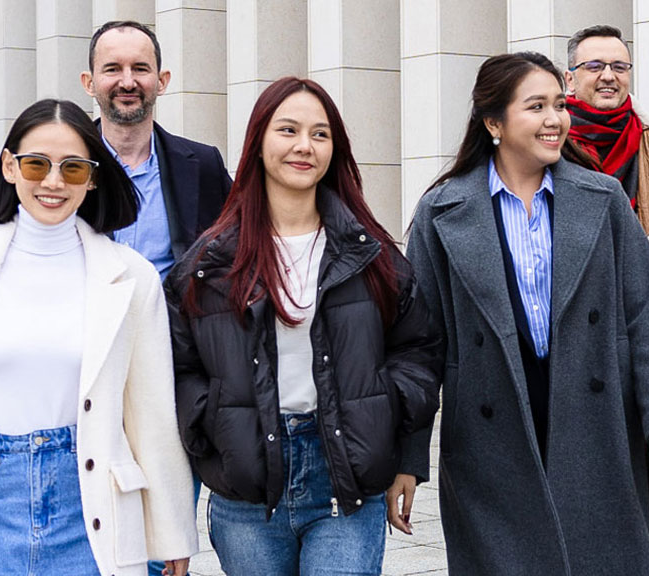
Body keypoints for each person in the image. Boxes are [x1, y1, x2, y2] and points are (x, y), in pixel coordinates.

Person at [406, 50, 649, 575]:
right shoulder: (441, 211)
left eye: (559, 105)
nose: (555, 119)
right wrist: (407, 458)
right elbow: (419, 346)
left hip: (595, 419)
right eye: (536, 106)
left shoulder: (602, 198)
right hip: (490, 428)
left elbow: (645, 315)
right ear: (493, 122)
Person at [0, 98, 196, 576]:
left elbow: (151, 414)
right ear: (9, 166)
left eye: (74, 168)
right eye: (37, 164)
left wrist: (171, 533)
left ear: (94, 176)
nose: (54, 182)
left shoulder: (131, 277)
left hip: (92, 497)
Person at [168, 77, 443, 575]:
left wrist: (398, 443)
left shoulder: (370, 255)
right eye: (288, 130)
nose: (304, 146)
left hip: (345, 482)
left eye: (320, 134)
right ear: (258, 143)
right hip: (247, 491)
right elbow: (180, 366)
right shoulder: (209, 264)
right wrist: (214, 428)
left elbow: (417, 351)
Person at [82, 19, 233, 279]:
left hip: (173, 318)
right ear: (90, 83)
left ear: (162, 81)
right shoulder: (65, 168)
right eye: (112, 69)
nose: (127, 82)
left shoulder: (205, 166)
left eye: (140, 69)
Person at [562, 24, 649, 234]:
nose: (608, 76)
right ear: (570, 79)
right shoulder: (546, 145)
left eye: (619, 67)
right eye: (594, 66)